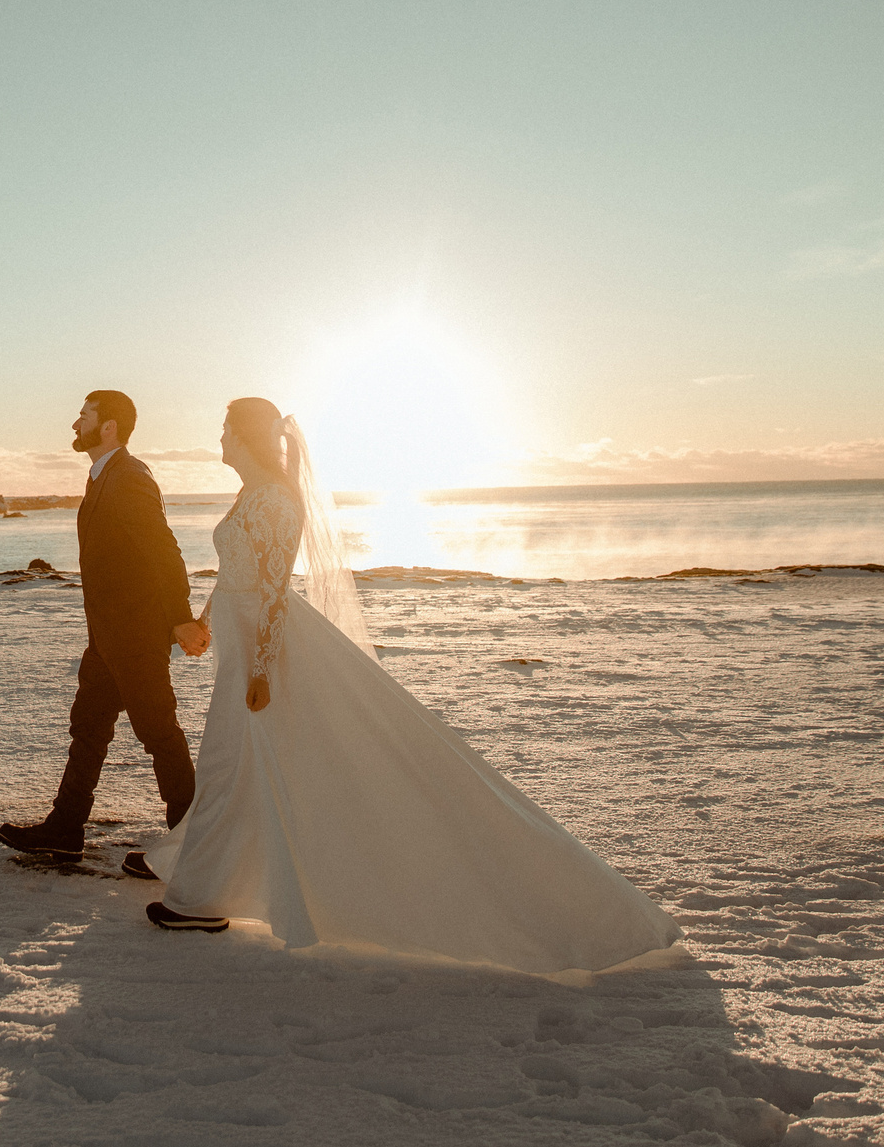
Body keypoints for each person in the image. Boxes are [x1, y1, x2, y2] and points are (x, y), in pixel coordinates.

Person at [135, 397, 681, 977]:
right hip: (240, 645)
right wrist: (204, 622)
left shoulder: (276, 500)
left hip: (269, 654)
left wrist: (264, 670)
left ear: (245, 437)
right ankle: (205, 882)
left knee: (233, 761)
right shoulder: (249, 494)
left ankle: (198, 900)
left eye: (225, 428)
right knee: (235, 764)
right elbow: (234, 574)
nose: (218, 437)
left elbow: (274, 591)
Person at [0, 390, 207, 858]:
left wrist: (179, 618)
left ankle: (193, 845)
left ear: (108, 426)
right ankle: (65, 829)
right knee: (88, 728)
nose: (75, 424)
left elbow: (163, 551)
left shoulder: (129, 476)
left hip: (134, 635)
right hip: (107, 636)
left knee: (158, 733)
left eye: (84, 416)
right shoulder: (102, 475)